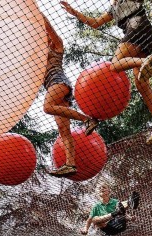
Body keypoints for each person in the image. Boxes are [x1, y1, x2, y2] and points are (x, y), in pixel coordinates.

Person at [61, 0, 152, 145]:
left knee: (115, 64)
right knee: (141, 84)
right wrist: (73, 12)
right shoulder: (113, 9)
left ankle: (145, 61)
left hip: (136, 28)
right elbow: (96, 23)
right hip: (146, 35)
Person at [42, 16, 100, 177]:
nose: (44, 39)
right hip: (55, 90)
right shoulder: (40, 58)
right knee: (64, 131)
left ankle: (87, 120)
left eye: (45, 36)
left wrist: (39, 15)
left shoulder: (57, 46)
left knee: (47, 108)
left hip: (59, 83)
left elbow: (49, 28)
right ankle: (70, 164)